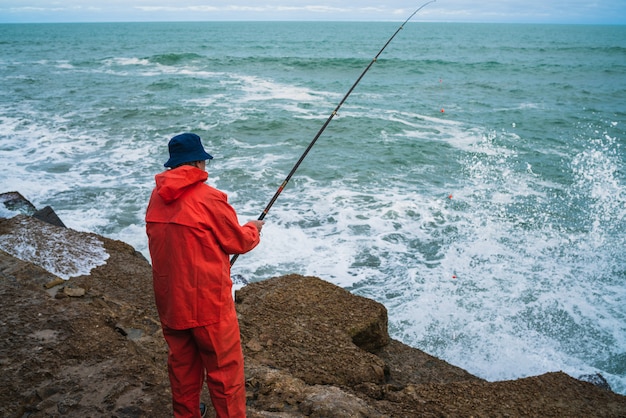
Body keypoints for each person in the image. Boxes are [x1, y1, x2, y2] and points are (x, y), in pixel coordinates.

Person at [145, 132, 264, 417]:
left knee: (182, 369)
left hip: (171, 301)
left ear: (173, 165)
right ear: (199, 162)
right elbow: (238, 242)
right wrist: (253, 228)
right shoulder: (209, 198)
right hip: (208, 304)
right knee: (225, 375)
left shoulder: (156, 198)